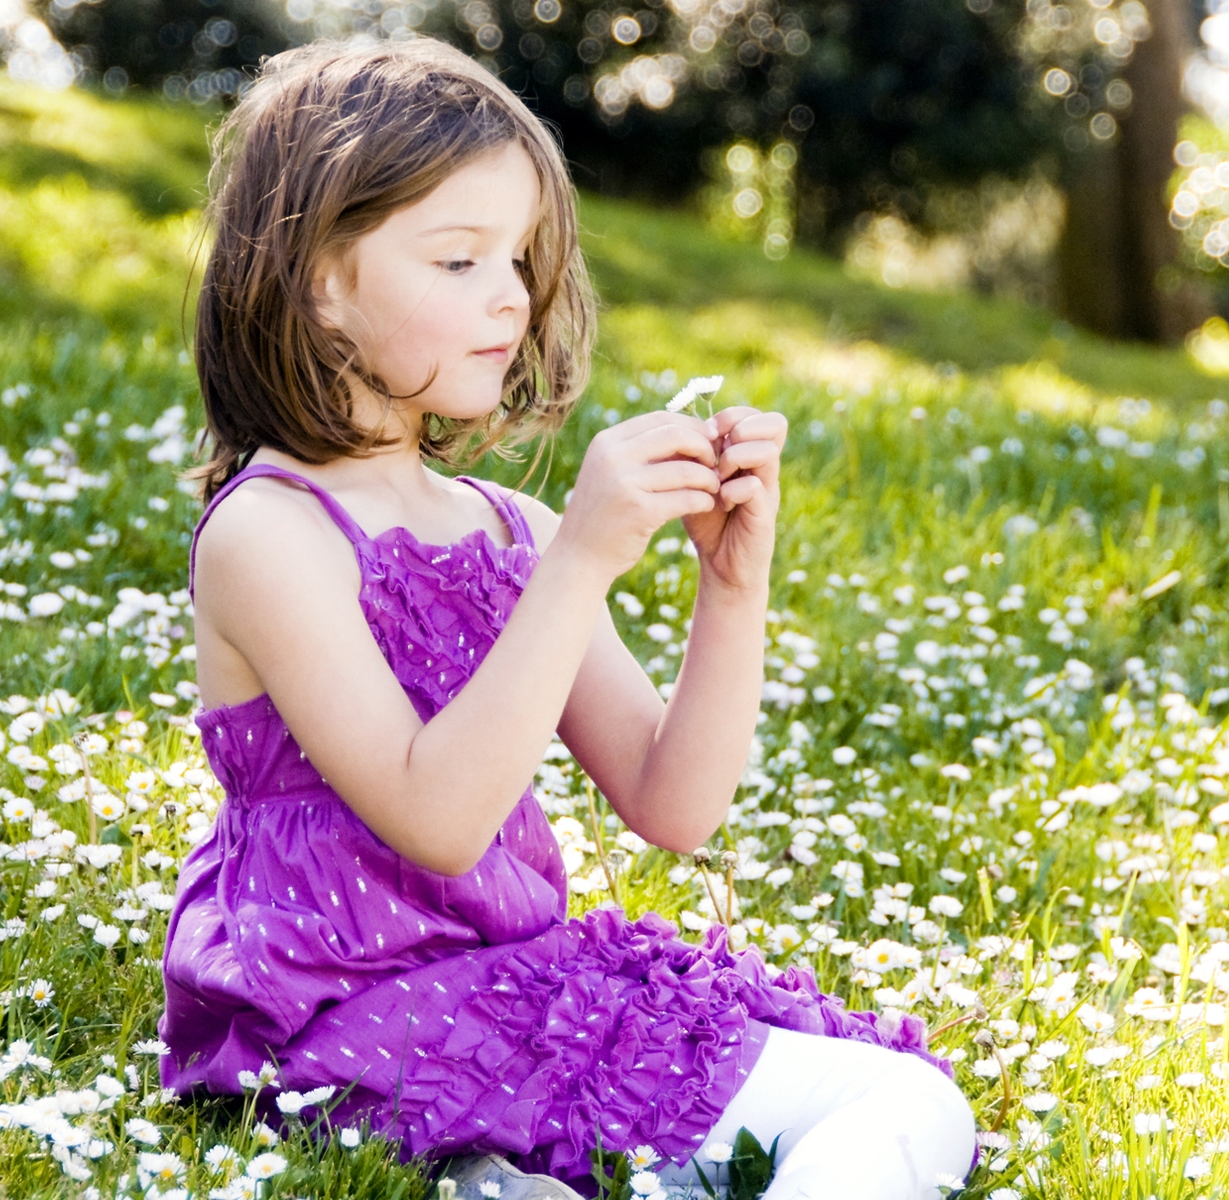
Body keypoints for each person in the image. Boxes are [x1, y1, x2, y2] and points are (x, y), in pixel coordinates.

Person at [157, 33, 980, 1200]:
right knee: (900, 1111)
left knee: (900, 1096)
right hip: (338, 1020)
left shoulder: (506, 530)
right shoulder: (270, 534)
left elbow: (673, 805)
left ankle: (547, 1179)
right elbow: (435, 817)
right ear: (323, 281)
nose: (511, 295)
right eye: (458, 260)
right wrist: (584, 558)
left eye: (523, 256)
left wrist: (731, 585)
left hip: (511, 987)